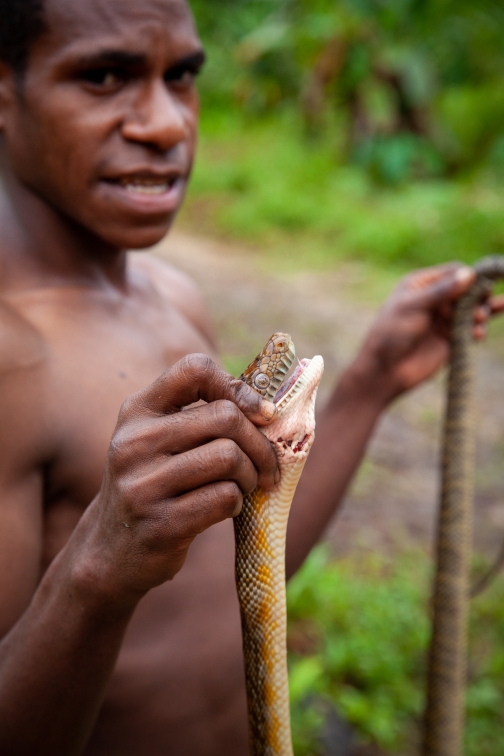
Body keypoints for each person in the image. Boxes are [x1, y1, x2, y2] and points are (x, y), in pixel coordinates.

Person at [0, 0, 501, 754]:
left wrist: (371, 381)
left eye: (184, 75)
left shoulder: (174, 299)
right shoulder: (12, 363)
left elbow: (231, 577)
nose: (166, 124)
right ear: (5, 90)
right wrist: (97, 565)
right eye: (103, 76)